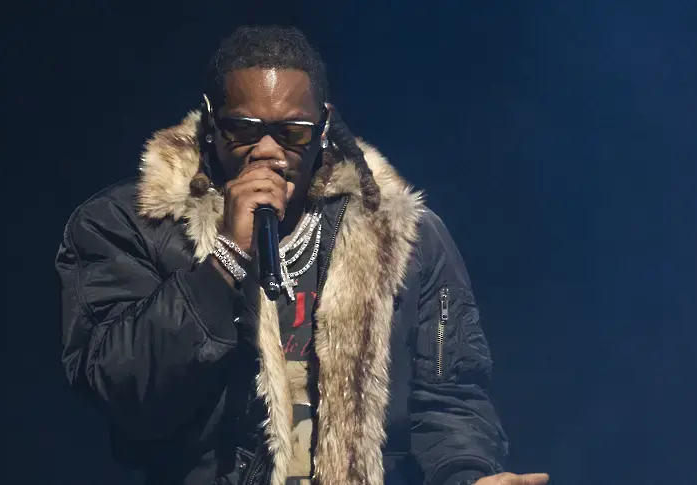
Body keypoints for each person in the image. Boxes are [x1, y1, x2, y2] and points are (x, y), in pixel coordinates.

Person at [55, 25, 548, 485]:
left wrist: (468, 475)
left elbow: (450, 398)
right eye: (244, 129)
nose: (267, 151)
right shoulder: (130, 224)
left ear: (324, 125)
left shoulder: (402, 234)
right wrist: (225, 259)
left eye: (293, 133)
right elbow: (119, 387)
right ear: (210, 123)